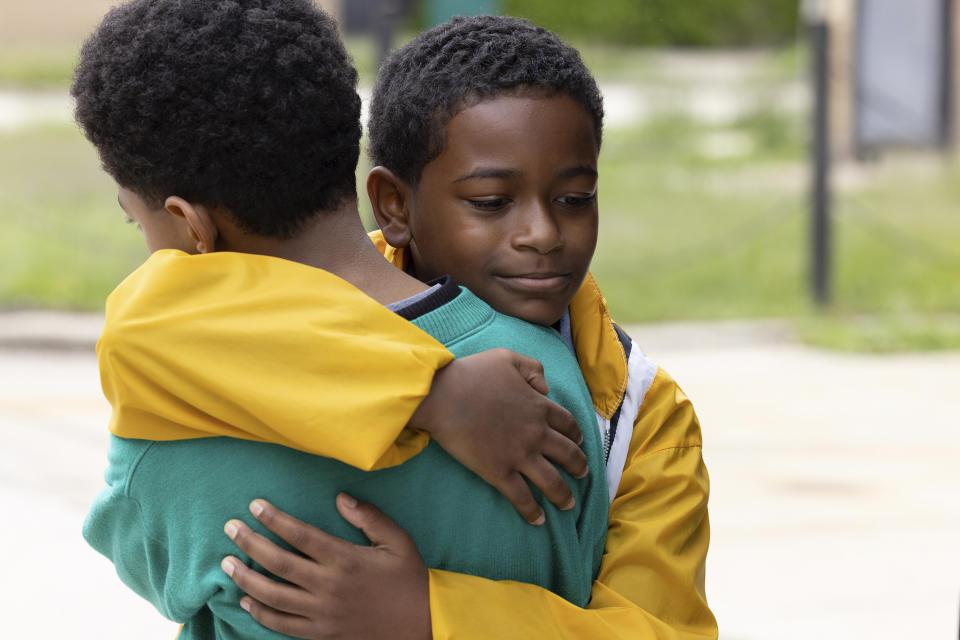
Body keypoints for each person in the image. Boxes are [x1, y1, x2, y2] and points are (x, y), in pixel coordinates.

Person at [73, 2, 610, 638]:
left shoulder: (169, 423)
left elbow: (140, 551)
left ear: (191, 226)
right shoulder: (544, 374)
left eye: (138, 222)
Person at [221, 15, 719, 640]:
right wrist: (431, 393)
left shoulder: (641, 418)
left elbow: (660, 631)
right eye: (490, 202)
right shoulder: (295, 306)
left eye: (574, 198)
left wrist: (428, 613)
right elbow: (154, 339)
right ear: (394, 206)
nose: (542, 234)